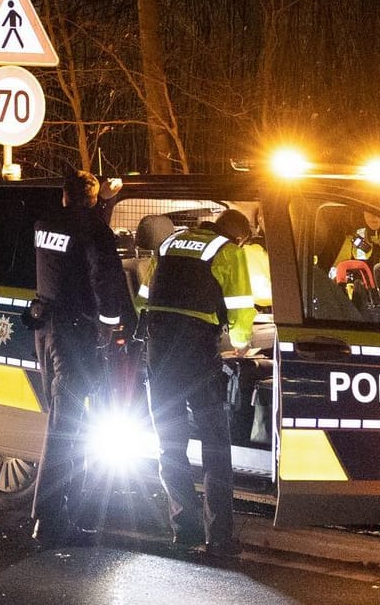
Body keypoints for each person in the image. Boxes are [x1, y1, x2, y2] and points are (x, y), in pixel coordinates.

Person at [137, 207, 251, 558]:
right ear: (239, 236)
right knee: (216, 446)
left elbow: (143, 298)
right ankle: (219, 539)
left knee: (170, 445)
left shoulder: (169, 243)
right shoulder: (228, 250)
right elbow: (242, 309)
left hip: (158, 350)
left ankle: (183, 532)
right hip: (197, 351)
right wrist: (242, 344)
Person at [28, 170, 130, 548]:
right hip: (76, 334)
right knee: (66, 427)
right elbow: (104, 277)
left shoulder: (45, 222)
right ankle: (50, 520)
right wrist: (111, 325)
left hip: (47, 328)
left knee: (65, 421)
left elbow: (75, 238)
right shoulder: (95, 232)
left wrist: (101, 204)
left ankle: (67, 515)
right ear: (90, 200)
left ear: (64, 195)